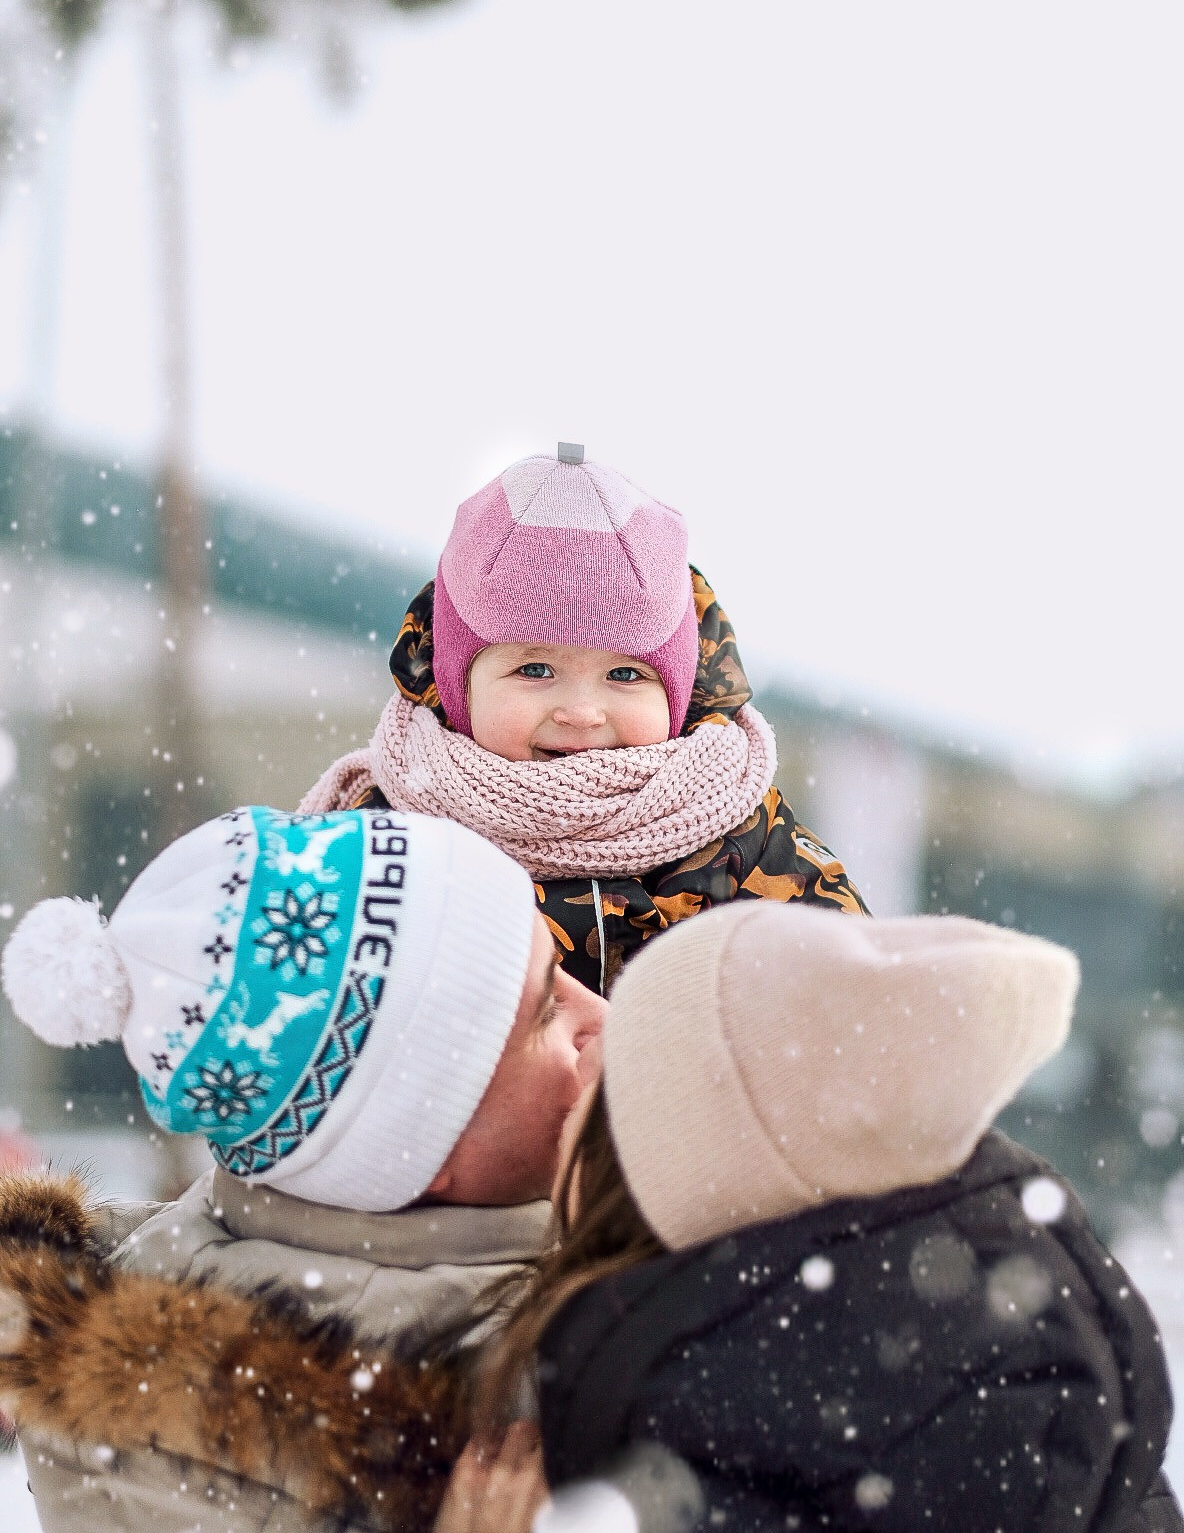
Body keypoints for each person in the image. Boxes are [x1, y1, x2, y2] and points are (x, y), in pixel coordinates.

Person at [439, 901, 1181, 1533]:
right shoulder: (1027, 1392)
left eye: (621, 1059)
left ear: (664, 1174)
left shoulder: (717, 1459)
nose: (590, 1040)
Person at [0, 805, 603, 1533]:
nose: (601, 1012)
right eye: (547, 1013)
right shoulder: (181, 1455)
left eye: (565, 972)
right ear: (418, 1145)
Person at [301, 444, 867, 994]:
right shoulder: (393, 829)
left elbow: (855, 999)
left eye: (624, 676)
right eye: (535, 669)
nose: (580, 713)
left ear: (676, 691)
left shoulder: (737, 832)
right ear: (458, 685)